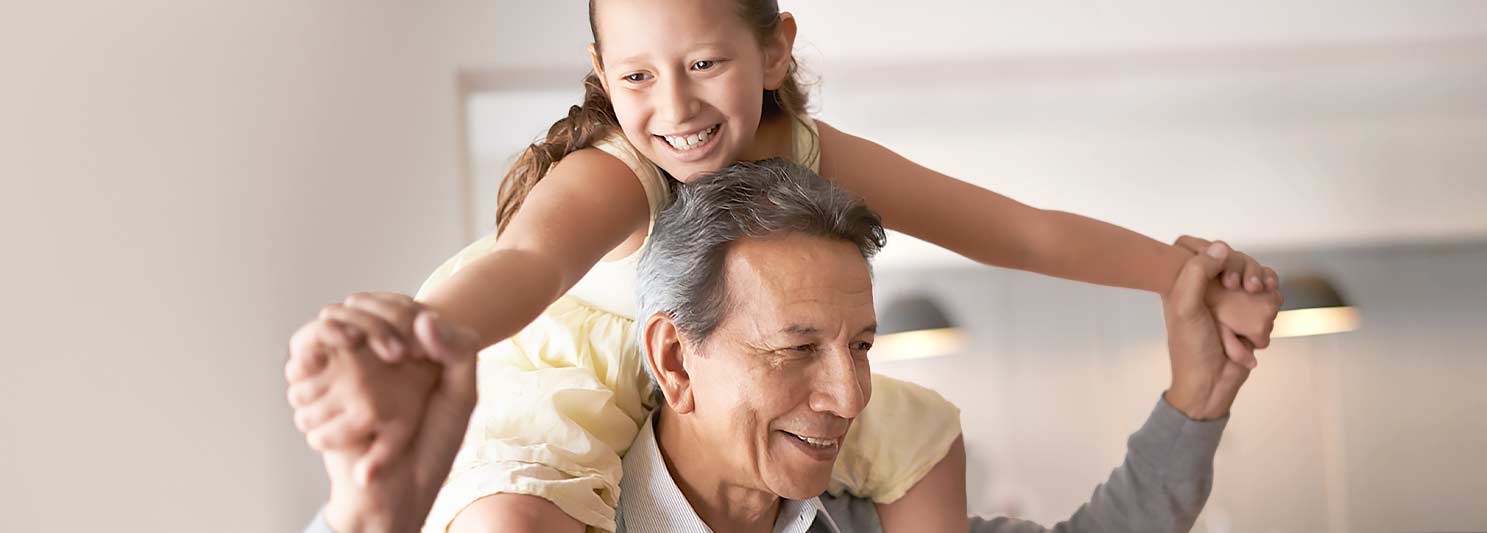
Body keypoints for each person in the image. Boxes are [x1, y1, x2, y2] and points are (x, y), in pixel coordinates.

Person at [286, 0, 1283, 530]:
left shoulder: (802, 149)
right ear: (603, 76)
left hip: (705, 377)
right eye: (636, 77)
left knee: (923, 437)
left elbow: (1012, 230)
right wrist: (418, 337)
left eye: (705, 64)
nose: (673, 108)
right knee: (508, 519)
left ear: (773, 49)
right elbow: (526, 264)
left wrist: (1177, 273)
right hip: (571, 367)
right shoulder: (617, 175)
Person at [294, 159, 1270, 533]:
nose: (846, 392)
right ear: (673, 358)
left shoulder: (876, 516)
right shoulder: (537, 508)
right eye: (795, 346)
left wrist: (1198, 396)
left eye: (861, 343)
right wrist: (366, 510)